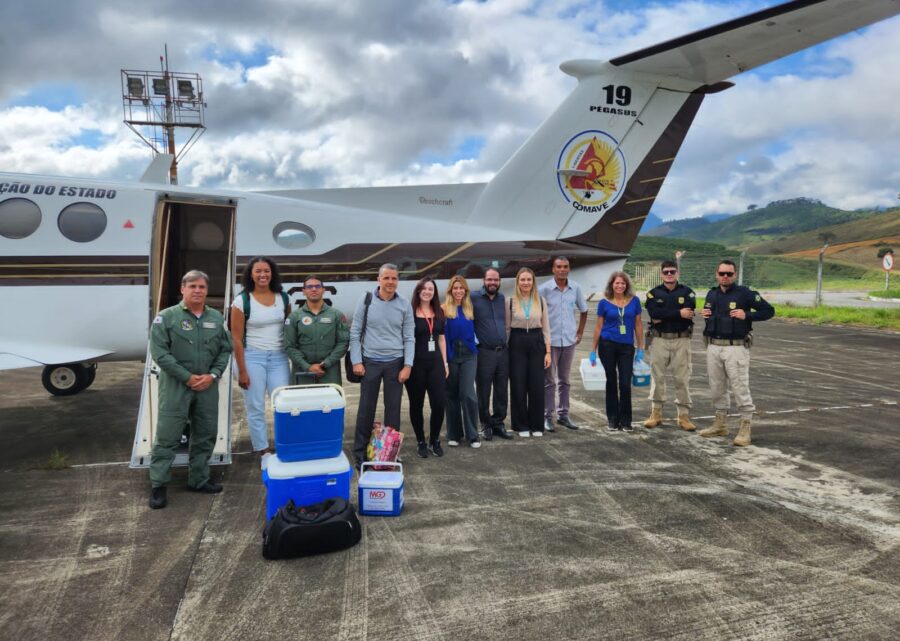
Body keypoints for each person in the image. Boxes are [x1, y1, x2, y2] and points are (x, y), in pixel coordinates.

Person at [148, 270, 233, 509]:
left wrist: (213, 375)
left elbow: (225, 350)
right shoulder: (166, 318)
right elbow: (160, 353)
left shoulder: (216, 318)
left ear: (206, 291)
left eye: (202, 287)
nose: (197, 290)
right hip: (176, 385)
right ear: (182, 289)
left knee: (205, 434)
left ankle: (198, 480)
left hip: (207, 385)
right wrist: (186, 377)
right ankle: (158, 486)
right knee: (167, 436)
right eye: (192, 286)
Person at [699, 260, 775, 446]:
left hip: (736, 347)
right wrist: (705, 315)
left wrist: (747, 315)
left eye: (729, 274)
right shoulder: (712, 293)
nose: (725, 277)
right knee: (716, 386)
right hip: (713, 345)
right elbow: (710, 314)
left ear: (735, 275)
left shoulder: (745, 294)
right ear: (716, 274)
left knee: (739, 386)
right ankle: (720, 424)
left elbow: (768, 311)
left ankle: (745, 426)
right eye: (722, 273)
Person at [349, 263, 415, 469]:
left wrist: (408, 365)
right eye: (386, 278)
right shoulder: (366, 300)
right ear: (379, 279)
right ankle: (359, 452)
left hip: (395, 363)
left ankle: (389, 452)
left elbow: (409, 337)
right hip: (370, 363)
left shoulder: (404, 304)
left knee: (393, 410)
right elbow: (355, 332)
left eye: (394, 278)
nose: (390, 282)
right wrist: (356, 361)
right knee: (365, 409)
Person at [229, 256, 291, 456]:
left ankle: (284, 445)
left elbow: (288, 325)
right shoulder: (241, 301)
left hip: (279, 358)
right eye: (258, 271)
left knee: (282, 404)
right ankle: (262, 449)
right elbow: (236, 339)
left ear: (272, 274)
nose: (263, 275)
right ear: (251, 275)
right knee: (255, 405)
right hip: (252, 357)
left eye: (266, 271)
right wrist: (242, 371)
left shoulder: (283, 298)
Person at [643, 260, 697, 431]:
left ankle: (683, 416)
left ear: (677, 273)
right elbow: (654, 314)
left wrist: (665, 315)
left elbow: (688, 313)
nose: (669, 274)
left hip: (681, 340)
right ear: (661, 274)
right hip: (659, 339)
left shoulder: (688, 293)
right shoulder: (653, 293)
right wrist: (678, 313)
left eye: (672, 271)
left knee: (682, 378)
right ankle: (656, 413)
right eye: (665, 272)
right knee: (657, 376)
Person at [590, 271, 644, 432]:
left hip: (627, 347)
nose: (620, 286)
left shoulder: (634, 302)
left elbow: (638, 325)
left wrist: (641, 347)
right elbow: (599, 326)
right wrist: (593, 349)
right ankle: (613, 420)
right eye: (617, 283)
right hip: (607, 345)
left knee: (625, 384)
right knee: (611, 382)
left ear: (626, 285)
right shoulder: (604, 303)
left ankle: (626, 420)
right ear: (611, 285)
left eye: (623, 283)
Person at [539, 256, 588, 432]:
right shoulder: (543, 289)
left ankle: (563, 415)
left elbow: (584, 310)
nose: (562, 270)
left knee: (565, 380)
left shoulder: (575, 288)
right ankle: (547, 416)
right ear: (553, 269)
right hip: (550, 343)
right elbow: (538, 313)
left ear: (569, 269)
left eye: (565, 267)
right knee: (549, 380)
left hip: (568, 341)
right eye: (559, 267)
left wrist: (580, 332)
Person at [404, 277, 448, 458]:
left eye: (431, 289)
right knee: (417, 405)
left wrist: (445, 363)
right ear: (418, 291)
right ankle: (421, 440)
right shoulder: (410, 312)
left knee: (439, 404)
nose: (427, 291)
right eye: (424, 288)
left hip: (436, 364)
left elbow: (441, 339)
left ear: (434, 292)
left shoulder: (439, 311)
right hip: (416, 365)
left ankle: (434, 439)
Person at [506, 267, 551, 437]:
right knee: (518, 384)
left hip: (536, 341)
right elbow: (507, 329)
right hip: (517, 342)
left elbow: (546, 328)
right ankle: (521, 425)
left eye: (529, 280)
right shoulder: (510, 302)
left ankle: (536, 425)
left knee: (536, 385)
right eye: (522, 280)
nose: (526, 283)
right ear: (518, 282)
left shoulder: (541, 300)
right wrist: (506, 349)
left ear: (533, 282)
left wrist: (548, 352)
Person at [285, 275, 349, 385]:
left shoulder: (336, 315)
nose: (314, 289)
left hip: (329, 372)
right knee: (303, 402)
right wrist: (307, 366)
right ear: (304, 291)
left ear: (323, 290)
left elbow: (343, 342)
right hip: (302, 372)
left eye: (317, 286)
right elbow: (289, 346)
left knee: (330, 402)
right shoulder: (294, 317)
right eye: (309, 287)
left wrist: (326, 363)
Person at [472, 267, 513, 441]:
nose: (493, 283)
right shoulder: (473, 298)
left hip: (503, 352)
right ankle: (485, 424)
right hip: (484, 352)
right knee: (483, 390)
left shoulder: (502, 298)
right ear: (484, 280)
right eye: (490, 279)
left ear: (499, 281)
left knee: (502, 390)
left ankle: (498, 423)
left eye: (496, 280)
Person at [443, 275, 481, 448]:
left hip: (469, 355)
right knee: (451, 395)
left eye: (461, 288)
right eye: (455, 288)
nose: (458, 291)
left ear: (465, 290)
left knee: (467, 393)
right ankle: (454, 434)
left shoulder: (470, 308)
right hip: (451, 355)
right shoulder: (444, 309)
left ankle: (473, 434)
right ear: (451, 290)